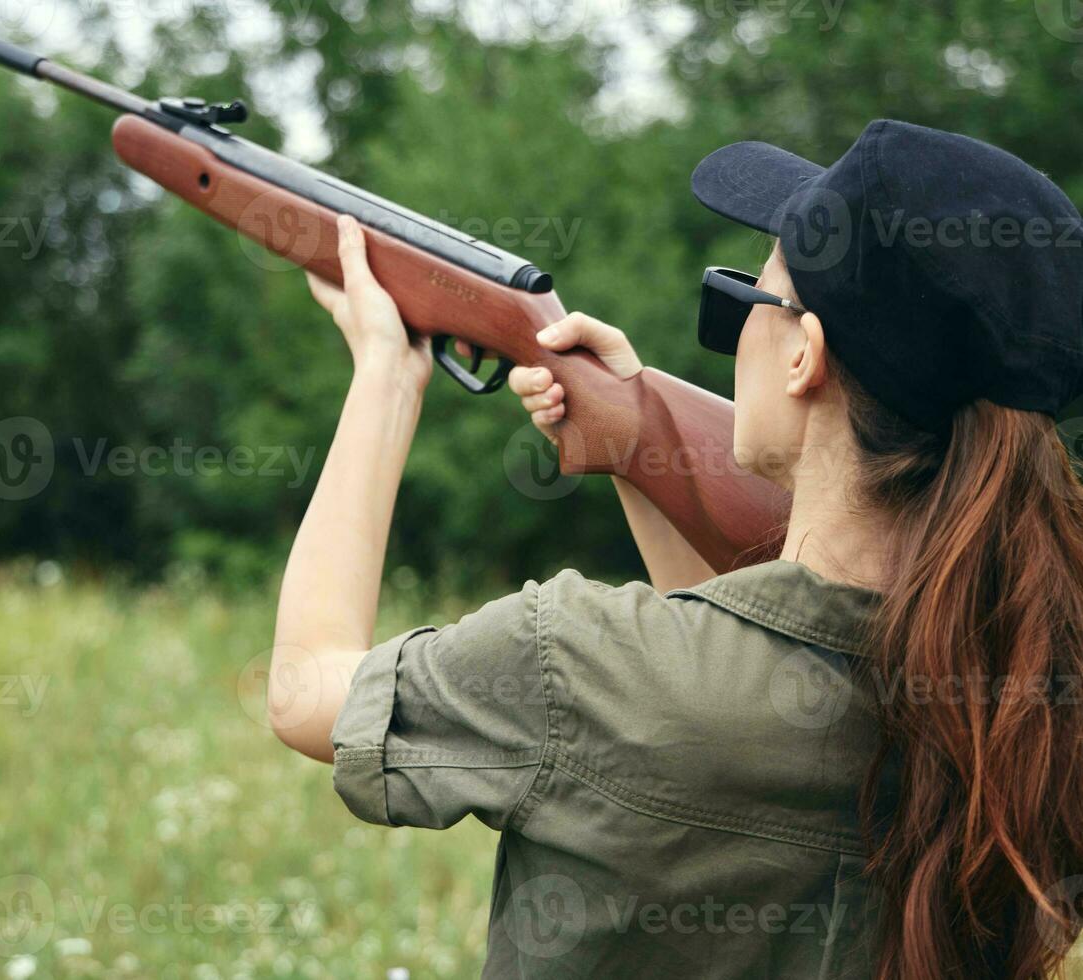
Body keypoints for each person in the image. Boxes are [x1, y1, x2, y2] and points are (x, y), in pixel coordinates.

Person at [269, 120, 1083, 979]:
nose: (736, 332)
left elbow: (305, 689)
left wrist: (386, 378)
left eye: (746, 299)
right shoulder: (1022, 695)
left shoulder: (572, 665)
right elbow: (747, 658)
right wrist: (635, 445)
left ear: (806, 354)